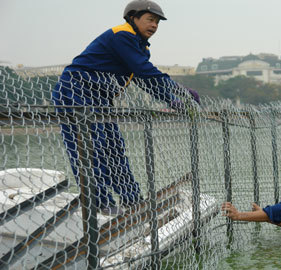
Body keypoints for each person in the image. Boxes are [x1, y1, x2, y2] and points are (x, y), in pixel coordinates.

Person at [52, 0, 199, 215]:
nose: (154, 26)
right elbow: (144, 70)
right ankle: (101, 203)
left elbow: (144, 79)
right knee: (90, 149)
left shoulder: (139, 45)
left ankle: (132, 201)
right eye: (150, 19)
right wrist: (179, 89)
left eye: (157, 22)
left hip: (101, 98)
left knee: (114, 149)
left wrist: (171, 100)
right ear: (133, 18)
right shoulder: (122, 35)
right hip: (77, 91)